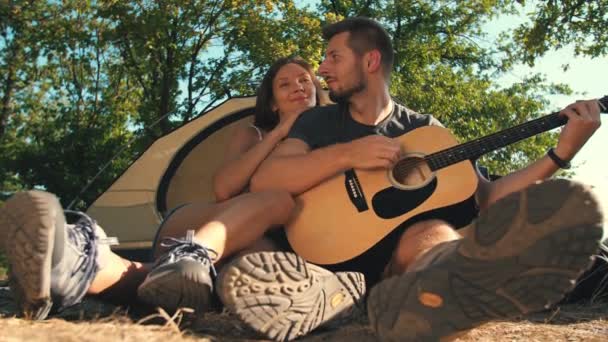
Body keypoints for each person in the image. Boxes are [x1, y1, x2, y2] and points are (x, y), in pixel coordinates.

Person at [216, 17, 605, 341]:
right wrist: (347, 154)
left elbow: (488, 195)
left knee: (433, 230)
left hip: (398, 262)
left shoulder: (425, 131)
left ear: (370, 61)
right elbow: (268, 179)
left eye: (333, 57)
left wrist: (559, 154)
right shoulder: (316, 121)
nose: (321, 70)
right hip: (319, 253)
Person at [0, 56, 367, 322]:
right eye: (284, 85)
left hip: (264, 246)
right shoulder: (253, 133)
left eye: (304, 80)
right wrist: (280, 132)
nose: (298, 87)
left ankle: (76, 262)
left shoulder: (337, 141)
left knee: (230, 274)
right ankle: (192, 255)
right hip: (204, 227)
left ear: (319, 90)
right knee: (276, 199)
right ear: (272, 101)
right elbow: (225, 189)